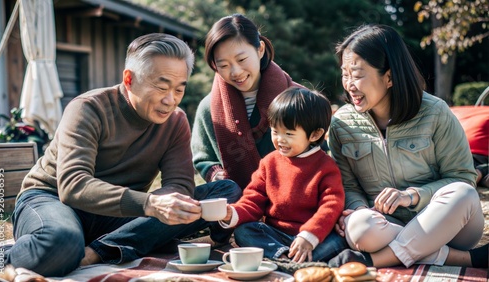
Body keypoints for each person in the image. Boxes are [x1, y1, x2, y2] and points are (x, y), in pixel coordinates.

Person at [0, 33, 241, 277]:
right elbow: (73, 186)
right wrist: (151, 205)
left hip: (118, 214)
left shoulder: (175, 122)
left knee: (224, 191)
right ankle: (2, 258)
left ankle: (98, 251)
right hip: (53, 200)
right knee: (61, 243)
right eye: (161, 86)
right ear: (129, 79)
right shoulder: (87, 108)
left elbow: (180, 185)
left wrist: (170, 204)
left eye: (178, 89)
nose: (170, 100)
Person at [327, 24, 487, 268]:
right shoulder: (341, 123)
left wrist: (411, 196)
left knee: (463, 194)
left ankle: (374, 261)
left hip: (448, 226)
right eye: (344, 74)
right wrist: (358, 209)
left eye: (357, 74)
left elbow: (462, 179)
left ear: (389, 77)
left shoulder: (435, 112)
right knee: (360, 226)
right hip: (384, 227)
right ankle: (465, 260)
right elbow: (347, 186)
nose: (349, 84)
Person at [219, 87, 347, 263]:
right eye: (275, 131)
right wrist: (232, 212)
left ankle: (288, 261)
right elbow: (253, 198)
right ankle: (287, 260)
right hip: (277, 235)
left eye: (289, 133)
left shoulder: (325, 166)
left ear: (315, 134)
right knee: (244, 231)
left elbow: (331, 205)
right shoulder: (269, 162)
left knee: (339, 240)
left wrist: (309, 235)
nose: (280, 139)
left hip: (313, 237)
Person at [191, 13, 304, 189]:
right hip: (236, 206)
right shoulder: (208, 108)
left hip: (295, 198)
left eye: (241, 59)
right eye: (224, 65)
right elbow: (203, 156)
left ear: (260, 49)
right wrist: (214, 173)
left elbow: (319, 150)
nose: (235, 72)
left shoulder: (299, 98)